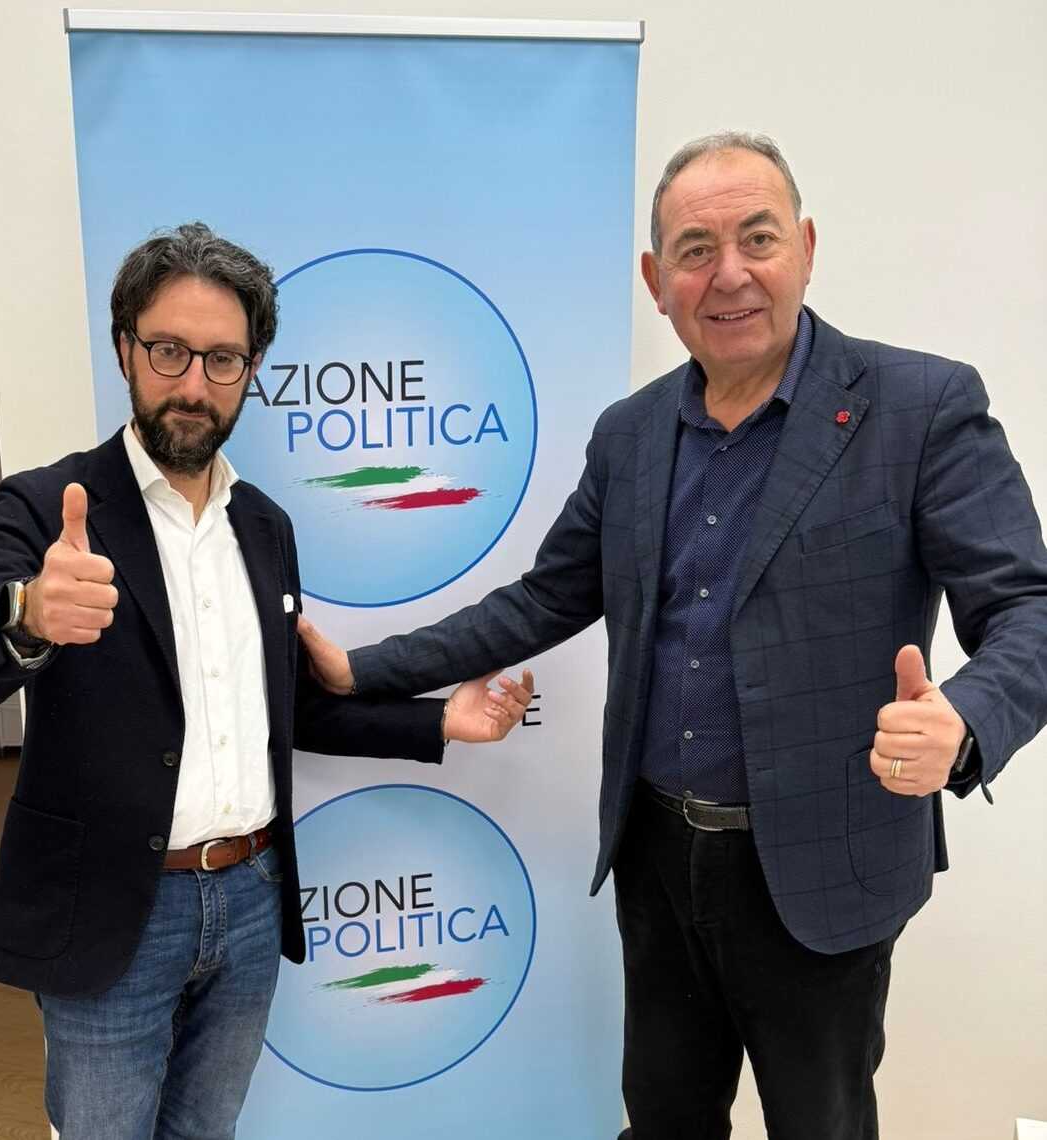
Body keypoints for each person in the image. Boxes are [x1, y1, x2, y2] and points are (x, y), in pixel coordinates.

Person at [297, 134, 1047, 1139]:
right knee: (661, 1122)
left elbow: (1028, 609)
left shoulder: (919, 407)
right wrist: (364, 669)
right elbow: (544, 600)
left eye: (757, 239)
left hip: (822, 870)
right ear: (657, 282)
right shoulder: (631, 433)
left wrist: (962, 720)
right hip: (655, 859)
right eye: (695, 250)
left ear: (807, 248)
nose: (728, 273)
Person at [0, 222, 534, 1140]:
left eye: (223, 360)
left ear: (253, 370)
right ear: (125, 349)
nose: (194, 385)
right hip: (112, 910)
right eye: (169, 351)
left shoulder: (266, 526)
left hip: (249, 898)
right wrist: (28, 616)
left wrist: (443, 721)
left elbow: (292, 711)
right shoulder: (46, 507)